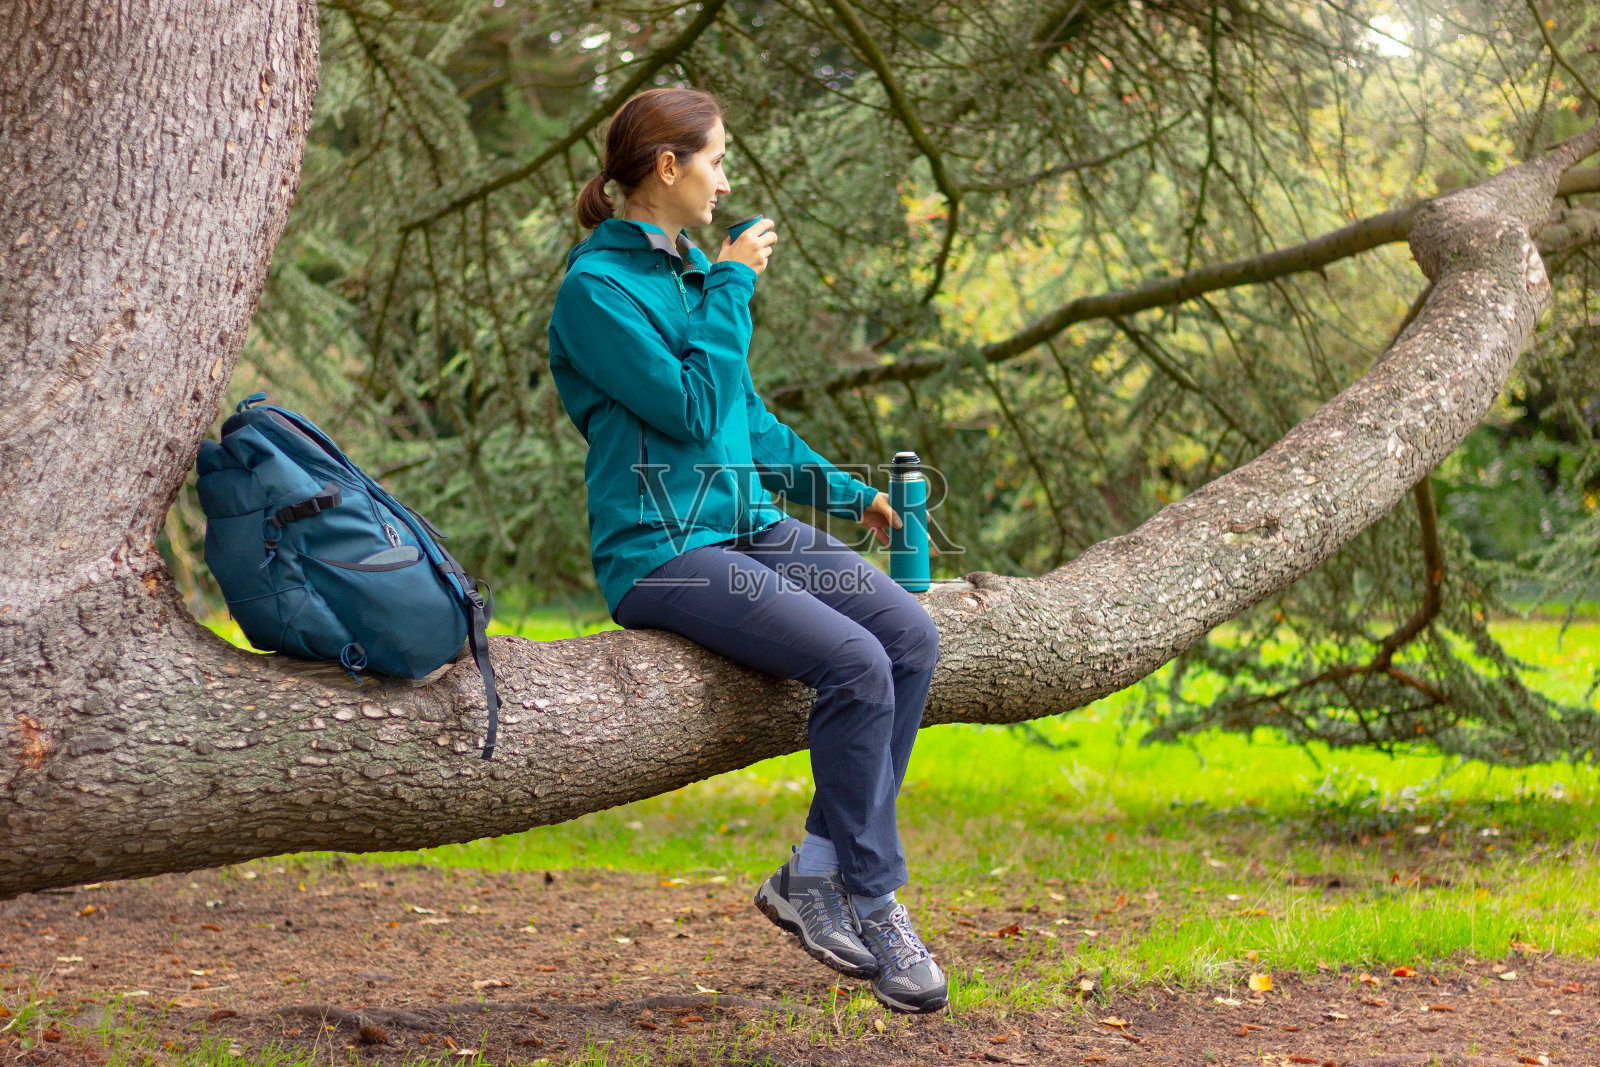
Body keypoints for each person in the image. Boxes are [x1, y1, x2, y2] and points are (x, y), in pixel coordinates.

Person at [545, 87, 946, 1015]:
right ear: (668, 167)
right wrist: (733, 285)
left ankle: (814, 870)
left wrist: (850, 495)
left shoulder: (691, 273)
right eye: (716, 160)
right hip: (662, 548)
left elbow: (745, 422)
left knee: (908, 637)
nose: (725, 181)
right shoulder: (597, 293)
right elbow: (689, 409)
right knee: (855, 662)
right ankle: (875, 901)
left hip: (748, 526)